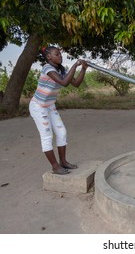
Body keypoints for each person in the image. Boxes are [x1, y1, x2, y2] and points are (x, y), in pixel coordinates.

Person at [29, 46, 88, 175]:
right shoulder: (47, 68)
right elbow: (64, 82)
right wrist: (75, 65)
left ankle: (63, 162)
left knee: (62, 132)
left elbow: (76, 83)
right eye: (57, 54)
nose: (60, 56)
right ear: (49, 57)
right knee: (47, 136)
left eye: (60, 54)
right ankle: (55, 167)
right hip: (38, 106)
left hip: (50, 105)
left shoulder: (61, 69)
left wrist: (83, 68)